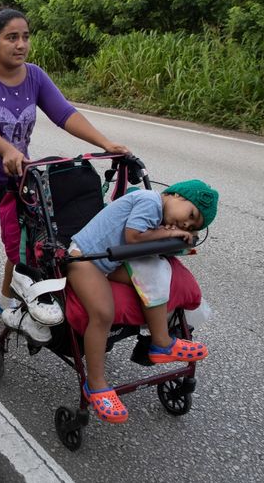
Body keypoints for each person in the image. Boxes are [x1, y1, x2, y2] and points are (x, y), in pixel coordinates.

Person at [0, 5, 129, 336]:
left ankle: (4, 298)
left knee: (20, 243)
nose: (20, 45)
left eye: (25, 37)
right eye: (11, 38)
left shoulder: (35, 75)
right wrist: (7, 149)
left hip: (19, 177)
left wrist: (106, 143)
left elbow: (64, 113)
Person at [67, 179, 219, 424]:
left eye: (192, 225)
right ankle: (95, 384)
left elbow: (143, 246)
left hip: (112, 261)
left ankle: (161, 342)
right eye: (191, 214)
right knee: (103, 313)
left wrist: (177, 242)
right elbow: (134, 236)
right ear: (176, 195)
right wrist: (171, 233)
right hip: (84, 260)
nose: (187, 223)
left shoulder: (159, 216)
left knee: (156, 271)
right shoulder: (149, 201)